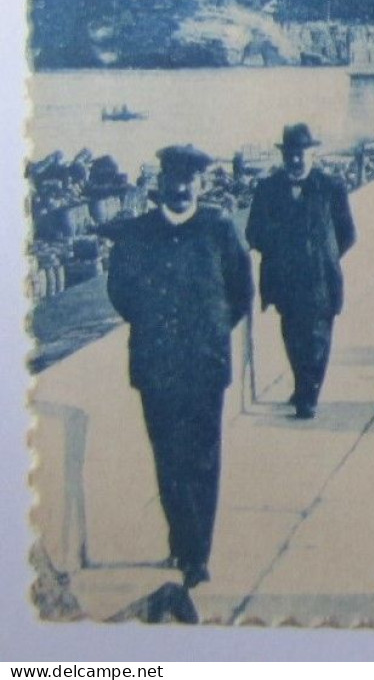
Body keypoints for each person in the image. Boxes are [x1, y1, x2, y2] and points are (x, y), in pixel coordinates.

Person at [104, 144, 253, 589]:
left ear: (201, 186)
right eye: (174, 180)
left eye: (190, 181)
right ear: (160, 185)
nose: (182, 188)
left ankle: (197, 554)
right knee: (168, 458)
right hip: (156, 366)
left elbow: (241, 293)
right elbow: (120, 291)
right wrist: (154, 326)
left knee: (203, 459)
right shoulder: (137, 234)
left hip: (205, 366)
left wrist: (208, 331)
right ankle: (179, 540)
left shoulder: (220, 230)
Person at [245, 123, 357, 420]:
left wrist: (323, 255)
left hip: (321, 279)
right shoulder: (268, 189)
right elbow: (253, 232)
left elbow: (347, 233)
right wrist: (282, 247)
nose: (296, 160)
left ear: (313, 154)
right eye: (290, 154)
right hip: (285, 280)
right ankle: (301, 384)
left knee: (318, 337)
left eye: (301, 154)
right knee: (293, 336)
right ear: (284, 156)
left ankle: (308, 395)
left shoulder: (331, 187)